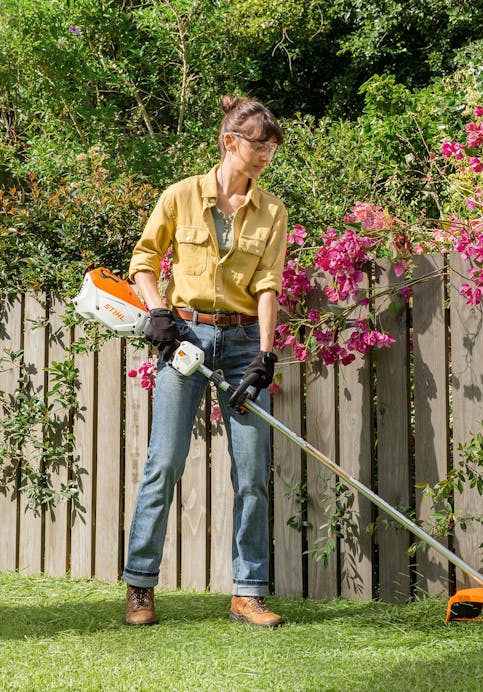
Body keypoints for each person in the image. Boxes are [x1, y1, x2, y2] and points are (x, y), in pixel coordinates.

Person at [123, 94, 287, 628]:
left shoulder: (272, 211)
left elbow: (267, 285)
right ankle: (140, 587)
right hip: (187, 338)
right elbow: (144, 260)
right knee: (164, 461)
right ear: (230, 142)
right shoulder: (179, 196)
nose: (264, 156)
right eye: (257, 146)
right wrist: (159, 315)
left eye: (270, 149)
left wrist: (265, 353)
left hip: (241, 342)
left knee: (252, 471)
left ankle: (248, 592)